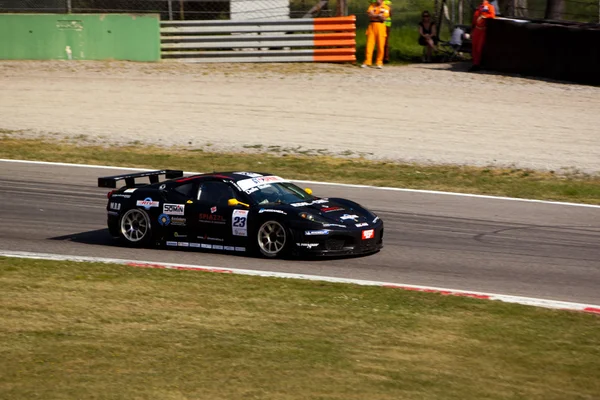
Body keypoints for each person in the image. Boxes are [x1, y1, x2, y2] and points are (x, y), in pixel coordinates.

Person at [361, 0, 391, 69]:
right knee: (369, 45)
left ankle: (379, 62)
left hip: (381, 26)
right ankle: (367, 62)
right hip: (371, 26)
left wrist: (374, 15)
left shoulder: (386, 7)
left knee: (380, 45)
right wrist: (377, 15)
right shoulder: (372, 5)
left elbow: (383, 17)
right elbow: (369, 15)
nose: (378, 0)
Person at [470, 0, 496, 71]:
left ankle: (478, 64)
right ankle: (475, 63)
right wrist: (472, 30)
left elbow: (492, 15)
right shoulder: (479, 7)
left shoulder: (489, 6)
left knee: (479, 48)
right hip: (476, 29)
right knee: (474, 47)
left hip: (483, 30)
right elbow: (474, 20)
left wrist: (483, 16)